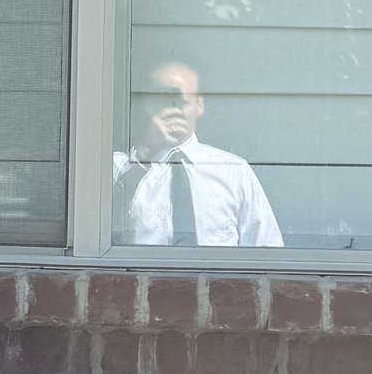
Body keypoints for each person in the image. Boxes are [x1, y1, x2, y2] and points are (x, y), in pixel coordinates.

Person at [112, 60, 281, 247]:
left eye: (182, 100)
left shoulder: (233, 171)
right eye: (163, 98)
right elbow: (98, 232)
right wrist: (146, 154)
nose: (173, 107)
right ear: (148, 105)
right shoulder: (119, 167)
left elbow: (266, 249)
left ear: (200, 105)